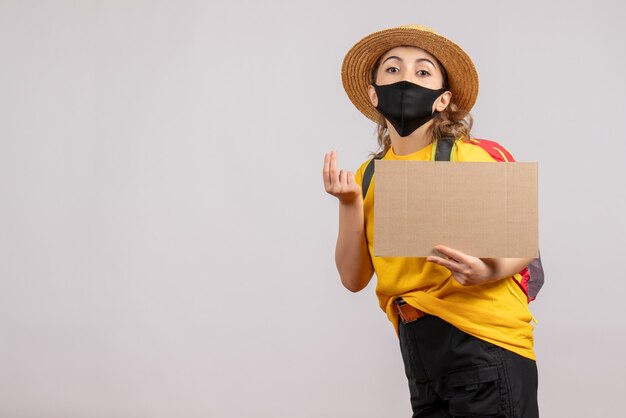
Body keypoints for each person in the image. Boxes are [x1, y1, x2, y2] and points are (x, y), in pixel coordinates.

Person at [322, 25, 539, 417]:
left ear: (443, 100)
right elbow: (353, 279)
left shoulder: (471, 157)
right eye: (392, 70)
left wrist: (486, 268)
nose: (406, 79)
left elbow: (523, 244)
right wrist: (350, 203)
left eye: (422, 72)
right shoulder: (368, 175)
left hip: (484, 343)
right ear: (374, 94)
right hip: (419, 355)